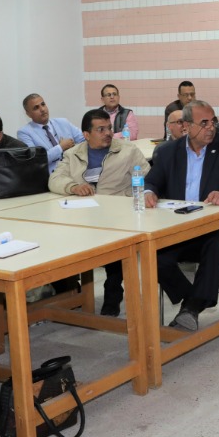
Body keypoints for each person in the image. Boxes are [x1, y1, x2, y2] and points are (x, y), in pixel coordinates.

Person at [144, 101, 219, 332]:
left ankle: (192, 307)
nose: (210, 127)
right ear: (185, 126)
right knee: (151, 253)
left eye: (213, 121)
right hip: (180, 228)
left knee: (217, 245)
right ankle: (192, 299)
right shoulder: (168, 151)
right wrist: (149, 192)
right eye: (204, 123)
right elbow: (152, 180)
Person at [49, 109, 151, 316]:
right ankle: (69, 291)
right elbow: (55, 179)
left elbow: (149, 178)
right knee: (58, 239)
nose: (107, 133)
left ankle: (112, 292)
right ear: (86, 135)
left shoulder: (128, 150)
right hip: (84, 215)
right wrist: (73, 187)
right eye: (101, 130)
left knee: (114, 243)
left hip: (119, 214)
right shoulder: (73, 154)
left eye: (109, 129)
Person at [17, 93, 81, 173]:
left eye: (43, 104)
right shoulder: (24, 133)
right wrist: (60, 147)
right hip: (51, 176)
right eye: (36, 108)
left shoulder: (63, 122)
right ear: (28, 114)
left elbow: (85, 140)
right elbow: (35, 160)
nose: (42, 109)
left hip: (76, 171)